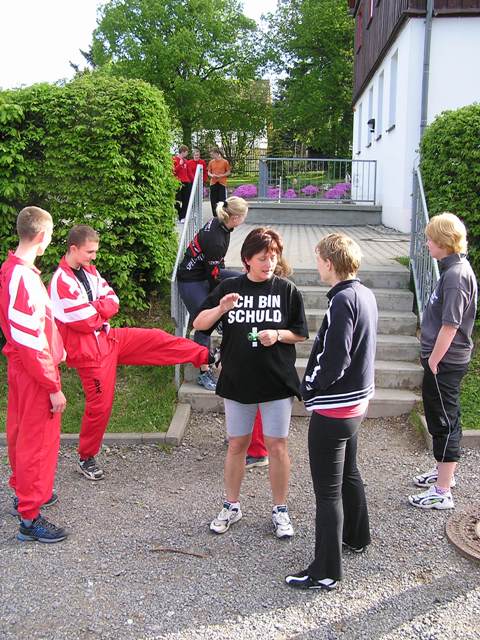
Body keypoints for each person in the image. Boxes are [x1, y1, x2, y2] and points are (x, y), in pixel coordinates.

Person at [49, 224, 215, 481]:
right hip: (89, 353)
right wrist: (100, 308)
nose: (94, 256)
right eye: (90, 252)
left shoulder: (89, 269)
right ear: (73, 249)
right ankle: (86, 457)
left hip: (108, 337)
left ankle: (206, 356)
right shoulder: (61, 280)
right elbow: (84, 320)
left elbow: (113, 300)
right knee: (100, 407)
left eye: (95, 251)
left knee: (155, 339)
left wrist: (97, 307)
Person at [193, 227, 308, 539]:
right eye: (262, 258)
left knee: (277, 446)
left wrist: (278, 335)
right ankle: (231, 505)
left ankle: (280, 509)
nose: (269, 264)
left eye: (273, 257)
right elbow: (199, 324)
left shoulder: (286, 290)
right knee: (237, 445)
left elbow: (300, 332)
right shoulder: (230, 287)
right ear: (246, 259)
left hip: (276, 381)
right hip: (238, 380)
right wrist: (221, 308)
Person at [285, 233, 377, 592]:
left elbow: (336, 358)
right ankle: (357, 536)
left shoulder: (342, 300)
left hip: (336, 409)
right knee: (349, 472)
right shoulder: (364, 293)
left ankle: (326, 571)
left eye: (318, 259)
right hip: (356, 405)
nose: (317, 265)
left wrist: (310, 386)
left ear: (329, 262)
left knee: (327, 493)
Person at [0, 206, 68, 543]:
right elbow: (30, 339)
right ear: (41, 236)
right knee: (36, 443)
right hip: (35, 373)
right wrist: (52, 385)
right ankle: (30, 518)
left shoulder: (12, 268)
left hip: (23, 368)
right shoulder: (24, 278)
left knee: (20, 435)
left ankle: (23, 494)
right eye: (51, 235)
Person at [408, 213, 477, 510]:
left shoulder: (456, 276)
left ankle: (442, 491)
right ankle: (443, 473)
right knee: (444, 417)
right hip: (443, 361)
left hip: (445, 362)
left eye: (430, 239)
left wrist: (434, 361)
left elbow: (450, 326)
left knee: (444, 420)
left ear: (444, 241)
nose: (427, 244)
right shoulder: (452, 270)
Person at [177, 196, 248, 390]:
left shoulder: (221, 224)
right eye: (244, 216)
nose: (245, 219)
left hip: (204, 273)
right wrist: (216, 306)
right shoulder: (216, 238)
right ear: (235, 217)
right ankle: (203, 372)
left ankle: (221, 325)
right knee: (204, 325)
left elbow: (217, 266)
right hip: (191, 279)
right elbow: (214, 276)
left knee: (243, 280)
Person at [207, 147, 231, 217]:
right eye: (211, 155)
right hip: (213, 183)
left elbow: (228, 172)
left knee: (222, 201)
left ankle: (222, 215)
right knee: (213, 201)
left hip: (222, 183)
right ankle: (215, 216)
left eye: (212, 154)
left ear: (217, 153)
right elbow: (208, 172)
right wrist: (212, 175)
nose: (211, 156)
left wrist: (221, 175)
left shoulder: (225, 162)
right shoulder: (211, 162)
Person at [173, 144, 191, 222]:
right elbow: (173, 171)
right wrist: (180, 165)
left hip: (186, 182)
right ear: (183, 152)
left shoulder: (186, 161)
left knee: (186, 200)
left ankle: (183, 216)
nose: (187, 154)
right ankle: (179, 214)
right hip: (178, 182)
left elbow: (188, 173)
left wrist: (192, 180)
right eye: (186, 152)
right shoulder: (174, 159)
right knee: (176, 200)